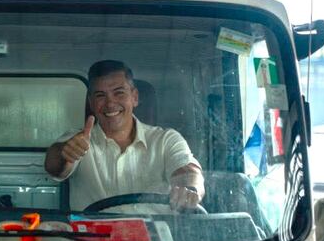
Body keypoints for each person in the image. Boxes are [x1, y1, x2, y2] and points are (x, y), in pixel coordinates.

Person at [44, 59, 204, 211]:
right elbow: (54, 166)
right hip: (94, 236)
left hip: (156, 235)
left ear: (134, 97)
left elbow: (187, 171)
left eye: (119, 93)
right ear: (91, 103)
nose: (110, 103)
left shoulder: (166, 140)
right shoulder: (77, 140)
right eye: (100, 95)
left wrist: (188, 188)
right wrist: (66, 154)